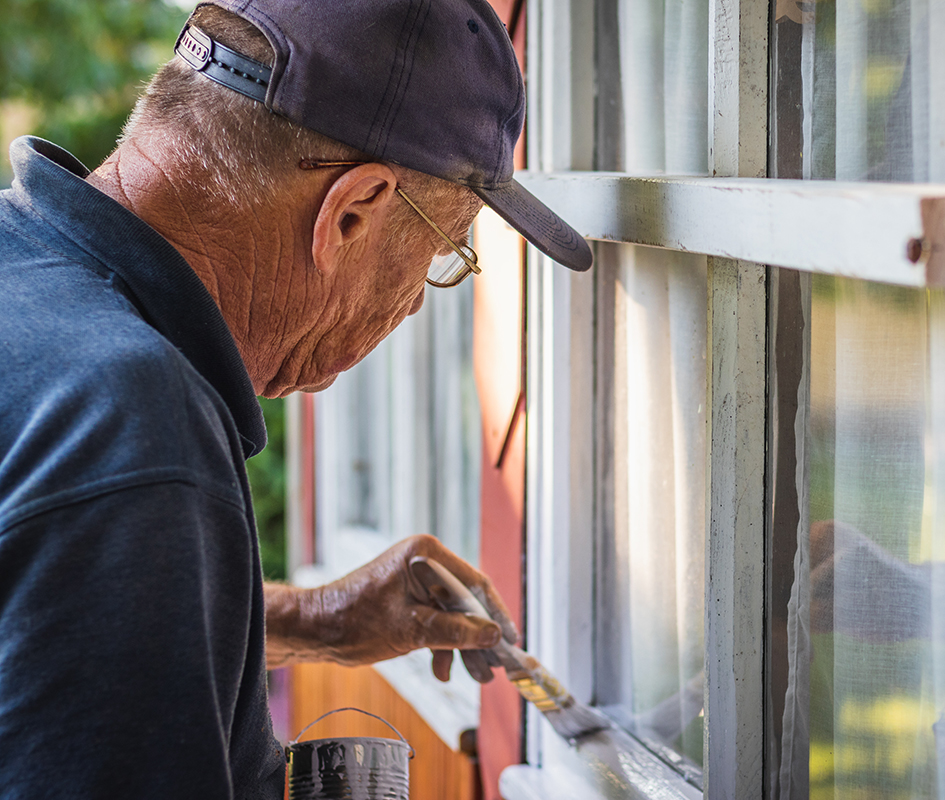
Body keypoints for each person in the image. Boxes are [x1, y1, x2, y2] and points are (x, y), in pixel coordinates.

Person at [0, 0, 590, 797]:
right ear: (350, 213)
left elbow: (48, 623)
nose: (416, 303)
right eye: (443, 253)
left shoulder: (23, 272)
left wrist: (315, 623)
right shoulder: (135, 428)